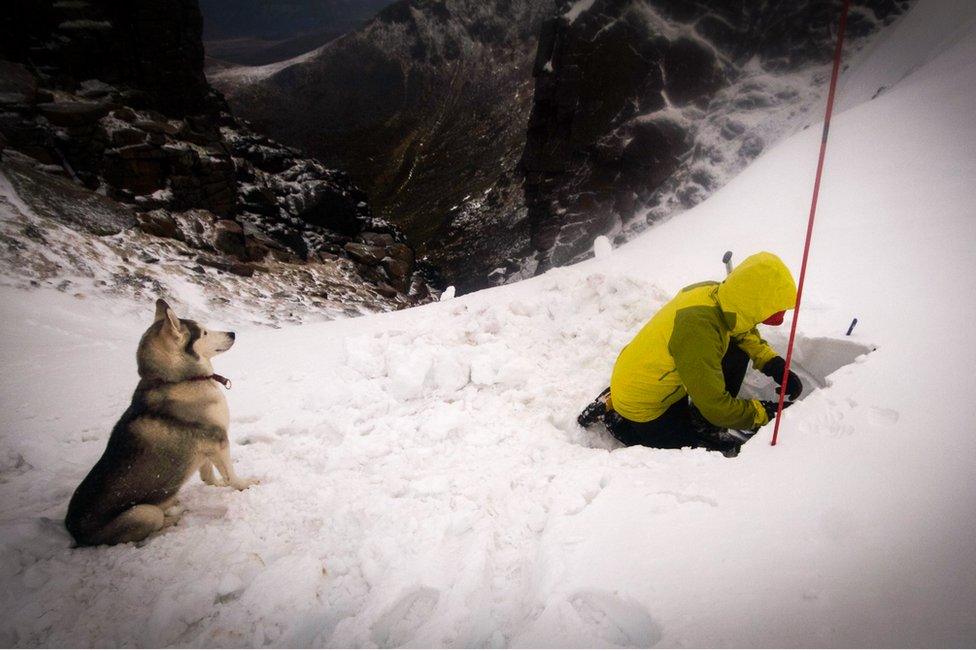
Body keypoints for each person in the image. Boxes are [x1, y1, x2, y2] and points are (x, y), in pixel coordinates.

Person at [578, 251, 803, 455]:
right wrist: (763, 413)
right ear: (757, 302)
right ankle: (615, 415)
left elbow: (740, 329)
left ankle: (703, 419)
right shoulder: (700, 331)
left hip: (645, 370)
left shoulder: (715, 293)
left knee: (737, 350)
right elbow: (716, 405)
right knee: (691, 450)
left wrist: (772, 363)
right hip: (644, 405)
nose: (778, 313)